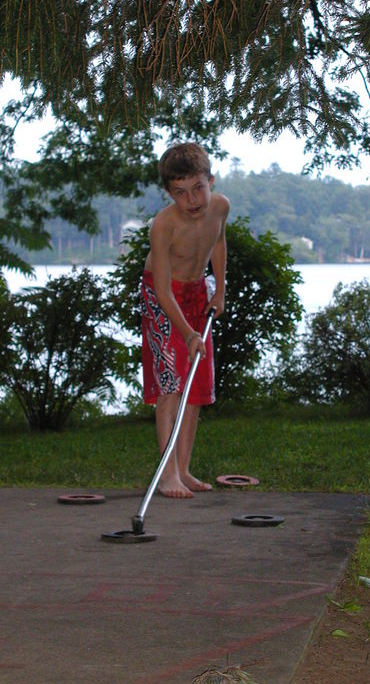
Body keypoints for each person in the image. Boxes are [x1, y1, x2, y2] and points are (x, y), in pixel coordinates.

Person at [140, 142, 229, 498]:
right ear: (168, 193)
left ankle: (184, 469)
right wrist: (189, 333)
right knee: (171, 384)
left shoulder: (220, 207)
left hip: (197, 293)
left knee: (195, 385)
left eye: (197, 188)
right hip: (162, 298)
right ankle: (167, 475)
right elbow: (162, 291)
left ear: (210, 181)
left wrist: (219, 290)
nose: (191, 200)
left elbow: (218, 243)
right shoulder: (164, 226)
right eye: (180, 192)